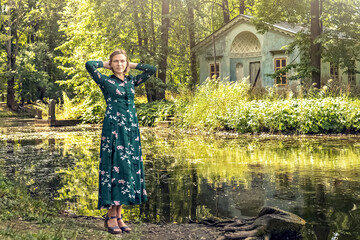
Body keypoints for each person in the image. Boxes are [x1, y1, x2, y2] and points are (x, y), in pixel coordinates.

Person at [85, 49, 157, 234]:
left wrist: (129, 65)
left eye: (122, 61)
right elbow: (89, 65)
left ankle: (119, 216)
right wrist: (106, 64)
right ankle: (110, 216)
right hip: (114, 130)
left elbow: (152, 69)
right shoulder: (105, 81)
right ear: (111, 63)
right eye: (116, 61)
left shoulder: (132, 81)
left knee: (126, 170)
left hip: (131, 131)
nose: (119, 64)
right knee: (114, 169)